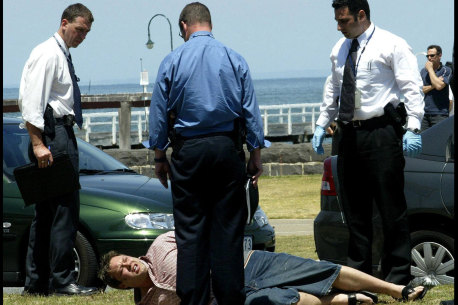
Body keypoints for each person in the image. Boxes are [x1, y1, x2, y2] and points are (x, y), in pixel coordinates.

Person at [145, 2, 268, 305]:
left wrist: (160, 158)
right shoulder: (233, 57)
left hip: (189, 151)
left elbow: (158, 114)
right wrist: (255, 154)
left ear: (184, 26)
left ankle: (195, 300)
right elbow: (250, 110)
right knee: (228, 232)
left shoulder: (172, 60)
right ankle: (229, 299)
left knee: (190, 233)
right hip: (227, 149)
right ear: (209, 24)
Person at [312, 0, 424, 286]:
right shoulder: (339, 49)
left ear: (361, 15)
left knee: (391, 208)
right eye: (336, 20)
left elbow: (411, 87)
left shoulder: (392, 44)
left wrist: (413, 126)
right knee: (354, 210)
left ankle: (397, 273)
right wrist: (321, 123)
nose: (339, 26)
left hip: (381, 132)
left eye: (344, 20)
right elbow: (333, 90)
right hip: (349, 133)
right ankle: (360, 275)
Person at [98, 231, 428, 305]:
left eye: (124, 260)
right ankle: (352, 301)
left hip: (247, 265)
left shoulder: (159, 245)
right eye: (121, 272)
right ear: (124, 286)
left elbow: (200, 232)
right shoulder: (149, 303)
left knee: (319, 269)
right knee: (292, 301)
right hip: (231, 297)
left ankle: (397, 290)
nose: (127, 265)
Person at [18, 3, 97, 296]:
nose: (82, 37)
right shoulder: (48, 53)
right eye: (79, 30)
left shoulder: (61, 54)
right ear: (64, 23)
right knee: (63, 210)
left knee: (48, 213)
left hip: (60, 131)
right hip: (53, 134)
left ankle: (37, 283)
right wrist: (38, 143)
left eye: (86, 33)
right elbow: (31, 101)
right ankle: (61, 280)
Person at [420, 45, 453, 130]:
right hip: (425, 114)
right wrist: (434, 84)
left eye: (432, 56)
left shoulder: (446, 70)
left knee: (439, 141)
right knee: (423, 141)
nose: (429, 58)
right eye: (428, 56)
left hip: (440, 114)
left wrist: (430, 69)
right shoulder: (423, 71)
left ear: (439, 55)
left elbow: (439, 87)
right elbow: (421, 90)